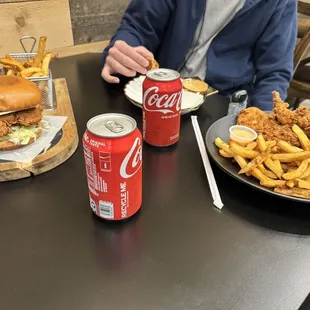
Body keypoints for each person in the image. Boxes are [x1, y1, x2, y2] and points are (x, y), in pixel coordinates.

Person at [101, 0, 297, 110]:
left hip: (221, 106)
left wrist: (265, 118)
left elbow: (274, 73)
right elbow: (137, 28)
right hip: (156, 93)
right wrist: (124, 55)